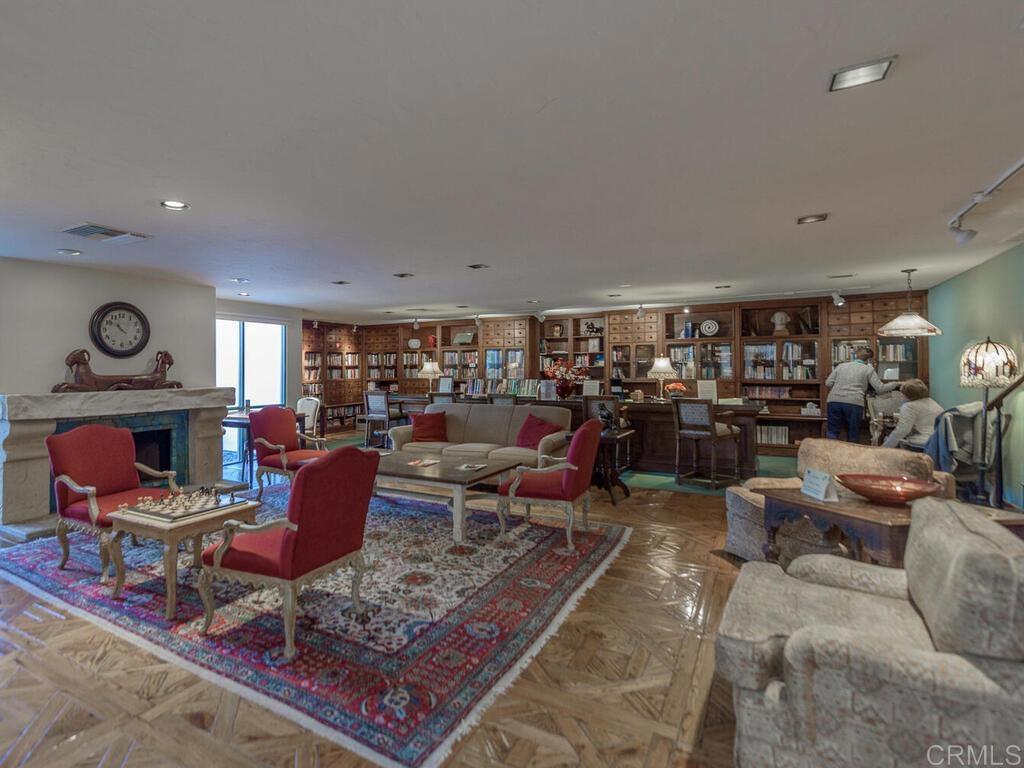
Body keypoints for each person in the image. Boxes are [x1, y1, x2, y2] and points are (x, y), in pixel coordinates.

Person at [825, 347, 899, 442]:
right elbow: (880, 389)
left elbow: (828, 383)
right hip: (854, 402)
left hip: (834, 401)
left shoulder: (841, 366)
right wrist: (896, 383)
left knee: (832, 432)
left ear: (856, 354)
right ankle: (853, 455)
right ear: (869, 359)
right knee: (853, 433)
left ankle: (829, 454)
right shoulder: (868, 369)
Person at [882, 378, 944, 449]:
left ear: (907, 394)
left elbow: (902, 431)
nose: (901, 396)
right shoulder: (933, 403)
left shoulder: (909, 406)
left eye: (902, 394)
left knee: (888, 440)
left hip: (919, 446)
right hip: (937, 444)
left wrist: (883, 448)